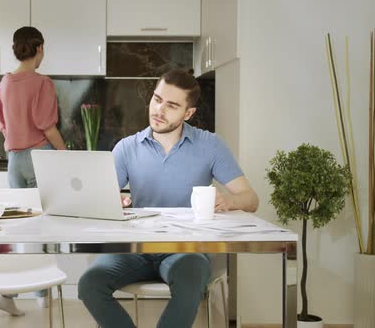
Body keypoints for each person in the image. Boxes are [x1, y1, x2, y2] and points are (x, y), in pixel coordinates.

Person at [77, 68, 259, 328]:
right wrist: (110, 200)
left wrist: (229, 201)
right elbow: (96, 200)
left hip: (186, 250)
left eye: (171, 105)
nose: (159, 110)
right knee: (89, 284)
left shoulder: (210, 145)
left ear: (188, 113)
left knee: (191, 278)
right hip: (135, 248)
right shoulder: (127, 148)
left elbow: (251, 199)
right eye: (157, 99)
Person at [0, 26, 66, 316]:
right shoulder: (42, 83)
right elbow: (47, 126)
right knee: (44, 228)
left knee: (22, 229)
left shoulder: (4, 84)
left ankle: (15, 292)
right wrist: (64, 155)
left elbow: (2, 126)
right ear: (38, 49)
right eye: (43, 49)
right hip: (39, 157)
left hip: (14, 162)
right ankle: (41, 294)